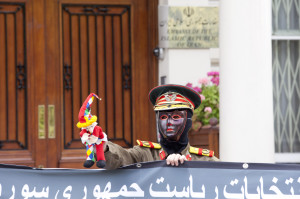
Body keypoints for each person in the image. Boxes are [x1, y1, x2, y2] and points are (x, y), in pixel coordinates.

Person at [102, 84, 219, 170]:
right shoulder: (144, 155)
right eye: (163, 117)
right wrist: (104, 147)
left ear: (188, 120)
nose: (168, 122)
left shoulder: (205, 161)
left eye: (176, 117)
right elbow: (121, 159)